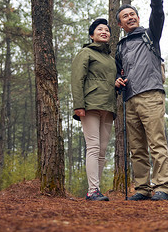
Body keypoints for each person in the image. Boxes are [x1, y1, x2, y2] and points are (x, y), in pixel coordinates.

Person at [115, 0, 168, 201]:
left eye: (132, 14)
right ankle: (143, 188)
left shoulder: (150, 34)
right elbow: (118, 74)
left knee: (157, 142)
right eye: (125, 17)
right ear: (120, 24)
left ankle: (162, 187)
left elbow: (157, 17)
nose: (130, 18)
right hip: (130, 100)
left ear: (138, 17)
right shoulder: (120, 47)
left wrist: (155, 0)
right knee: (137, 148)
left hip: (151, 95)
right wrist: (116, 82)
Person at [71, 18, 116, 201]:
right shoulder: (85, 53)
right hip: (90, 106)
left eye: (106, 29)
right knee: (93, 147)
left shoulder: (112, 59)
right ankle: (92, 190)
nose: (104, 31)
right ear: (92, 35)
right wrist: (78, 105)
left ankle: (96, 189)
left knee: (103, 150)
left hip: (108, 106)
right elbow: (77, 79)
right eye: (99, 29)